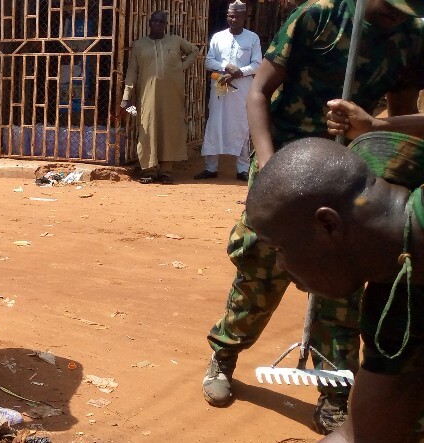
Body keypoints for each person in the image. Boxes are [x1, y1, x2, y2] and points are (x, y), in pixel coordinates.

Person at [203, 0, 424, 434]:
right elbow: (259, 91)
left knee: (342, 290)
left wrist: (372, 132)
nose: (397, 14)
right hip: (284, 166)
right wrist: (268, 169)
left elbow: (400, 118)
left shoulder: (413, 35)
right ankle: (224, 354)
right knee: (262, 270)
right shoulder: (318, 15)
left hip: (348, 175)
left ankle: (335, 393)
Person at [245, 134, 424, 443]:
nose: (280, 267)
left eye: (280, 249)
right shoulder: (394, 307)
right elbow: (362, 436)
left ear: (327, 225)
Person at [121, 10, 199, 185]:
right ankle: (149, 170)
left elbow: (195, 51)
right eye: (154, 21)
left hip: (172, 95)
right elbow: (132, 71)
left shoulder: (176, 41)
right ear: (149, 23)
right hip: (146, 96)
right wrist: (126, 96)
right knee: (147, 129)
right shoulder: (139, 45)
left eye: (161, 22)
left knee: (169, 129)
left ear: (166, 25)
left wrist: (181, 67)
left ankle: (166, 170)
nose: (157, 24)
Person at [195, 0, 261, 182]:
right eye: (231, 15)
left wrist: (239, 72)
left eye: (238, 15)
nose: (234, 19)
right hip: (220, 86)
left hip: (242, 88)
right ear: (227, 16)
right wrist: (226, 67)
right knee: (215, 123)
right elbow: (209, 62)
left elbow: (257, 64)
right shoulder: (218, 37)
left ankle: (242, 169)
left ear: (245, 16)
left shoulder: (252, 38)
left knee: (242, 124)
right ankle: (210, 168)